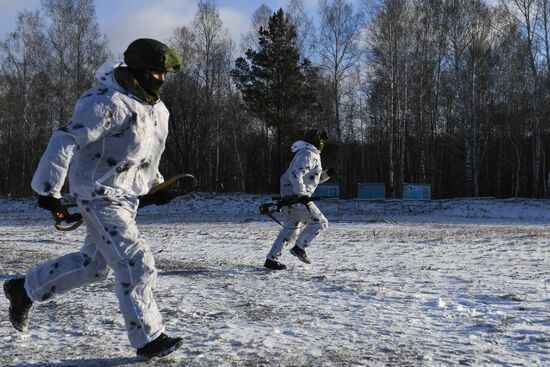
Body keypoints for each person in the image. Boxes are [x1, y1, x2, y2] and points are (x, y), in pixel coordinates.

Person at [3, 38, 184, 359]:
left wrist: (155, 187)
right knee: (135, 263)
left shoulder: (157, 110)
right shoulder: (106, 101)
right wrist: (49, 190)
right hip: (97, 195)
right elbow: (66, 138)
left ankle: (25, 289)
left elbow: (144, 156)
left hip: (126, 198)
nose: (163, 79)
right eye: (157, 72)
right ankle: (149, 338)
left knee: (94, 266)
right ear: (139, 71)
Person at [264, 129, 334, 270]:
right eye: (322, 140)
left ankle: (272, 259)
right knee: (320, 222)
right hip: (296, 198)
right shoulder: (308, 154)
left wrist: (326, 174)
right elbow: (295, 174)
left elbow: (311, 178)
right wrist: (301, 194)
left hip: (293, 196)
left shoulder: (311, 154)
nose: (323, 143)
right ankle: (299, 248)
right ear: (316, 140)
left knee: (291, 229)